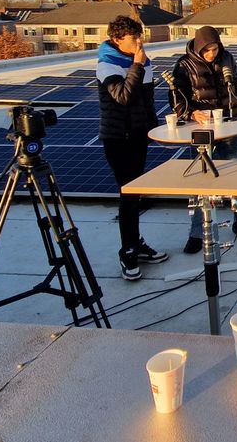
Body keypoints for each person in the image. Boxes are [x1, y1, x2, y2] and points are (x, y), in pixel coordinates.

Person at [170, 25, 237, 252]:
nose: (212, 54)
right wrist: (190, 112)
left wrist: (236, 111)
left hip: (226, 125)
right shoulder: (184, 65)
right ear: (199, 48)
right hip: (201, 129)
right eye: (208, 50)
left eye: (215, 49)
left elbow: (235, 87)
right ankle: (197, 233)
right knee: (201, 181)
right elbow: (176, 97)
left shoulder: (227, 59)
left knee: (235, 173)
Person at [97, 15, 169, 282]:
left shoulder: (143, 64)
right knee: (128, 195)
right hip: (117, 139)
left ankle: (136, 244)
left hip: (138, 137)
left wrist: (155, 130)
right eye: (134, 38)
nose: (140, 42)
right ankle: (127, 250)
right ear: (117, 39)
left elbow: (146, 102)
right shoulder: (106, 65)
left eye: (140, 36)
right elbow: (124, 97)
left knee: (135, 195)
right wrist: (137, 66)